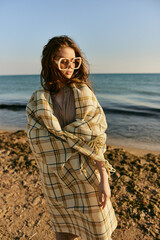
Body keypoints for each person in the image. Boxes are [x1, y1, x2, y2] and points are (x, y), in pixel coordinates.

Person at [26, 35, 117, 240]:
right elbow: (36, 140)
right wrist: (66, 142)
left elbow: (96, 141)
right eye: (63, 61)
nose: (70, 66)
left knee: (99, 234)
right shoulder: (38, 100)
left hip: (85, 176)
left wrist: (104, 180)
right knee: (64, 234)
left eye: (74, 61)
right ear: (50, 61)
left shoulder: (83, 93)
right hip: (54, 180)